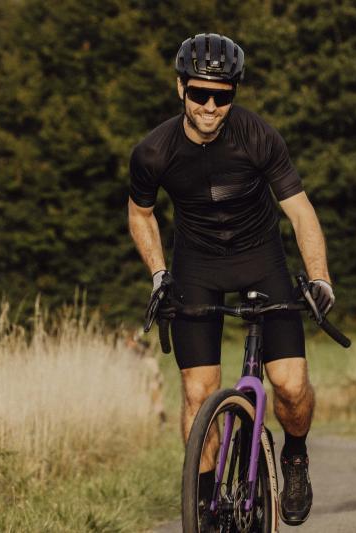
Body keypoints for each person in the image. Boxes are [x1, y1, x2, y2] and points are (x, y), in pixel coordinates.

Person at [127, 33, 334, 526]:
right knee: (199, 393)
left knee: (289, 384)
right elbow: (140, 214)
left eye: (222, 96)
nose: (210, 106)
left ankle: (295, 456)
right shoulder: (153, 151)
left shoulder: (258, 136)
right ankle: (201, 504)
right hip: (196, 265)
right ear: (181, 88)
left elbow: (300, 211)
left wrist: (320, 278)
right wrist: (159, 274)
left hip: (260, 257)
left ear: (233, 95)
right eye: (200, 93)